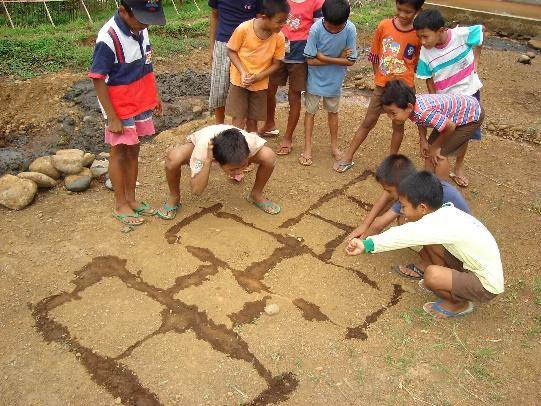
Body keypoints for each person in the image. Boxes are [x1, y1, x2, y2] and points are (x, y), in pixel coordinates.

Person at [346, 171, 504, 319]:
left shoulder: (436, 224)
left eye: (404, 206)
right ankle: (450, 280)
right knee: (432, 246)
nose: (401, 210)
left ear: (422, 208)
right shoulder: (444, 213)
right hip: (470, 263)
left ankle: (460, 304)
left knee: (432, 276)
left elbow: (402, 235)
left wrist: (367, 245)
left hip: (486, 284)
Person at [88, 0, 165, 226]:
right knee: (119, 152)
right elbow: (98, 79)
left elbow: (147, 64)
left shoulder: (142, 29)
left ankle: (131, 198)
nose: (145, 25)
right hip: (119, 105)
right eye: (141, 20)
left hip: (139, 98)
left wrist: (155, 95)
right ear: (123, 11)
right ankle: (120, 203)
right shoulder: (108, 38)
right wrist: (112, 117)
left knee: (134, 150)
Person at [334, 0, 424, 173]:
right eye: (400, 9)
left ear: (418, 11)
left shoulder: (418, 33)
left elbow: (418, 59)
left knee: (398, 124)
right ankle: (348, 156)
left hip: (405, 89)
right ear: (395, 5)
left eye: (408, 12)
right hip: (382, 86)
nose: (403, 15)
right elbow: (375, 54)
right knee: (368, 121)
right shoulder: (384, 26)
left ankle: (391, 162)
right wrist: (379, 78)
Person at [346, 154, 470, 278]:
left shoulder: (415, 195)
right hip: (458, 236)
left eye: (389, 190)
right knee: (405, 217)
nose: (388, 194)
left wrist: (363, 242)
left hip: (461, 252)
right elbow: (386, 198)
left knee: (416, 227)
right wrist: (365, 224)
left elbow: (379, 224)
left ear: (401, 186)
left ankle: (439, 271)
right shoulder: (419, 184)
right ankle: (436, 263)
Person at [414, 8, 484, 188]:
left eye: (425, 36)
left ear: (442, 30)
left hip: (469, 93)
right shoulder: (425, 53)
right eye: (419, 37)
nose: (422, 41)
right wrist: (435, 100)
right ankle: (431, 179)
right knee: (439, 141)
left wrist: (476, 60)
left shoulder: (460, 35)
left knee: (464, 135)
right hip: (446, 100)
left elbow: (481, 30)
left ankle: (457, 168)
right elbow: (429, 81)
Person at [156, 125, 281, 219]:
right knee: (173, 158)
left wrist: (241, 165)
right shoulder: (203, 151)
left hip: (232, 145)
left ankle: (256, 194)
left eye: (243, 166)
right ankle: (174, 197)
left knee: (269, 156)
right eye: (233, 169)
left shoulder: (251, 143)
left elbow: (267, 156)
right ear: (218, 161)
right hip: (202, 142)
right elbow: (196, 190)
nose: (239, 172)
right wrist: (208, 161)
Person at [380, 80, 484, 182]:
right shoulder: (413, 107)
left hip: (471, 116)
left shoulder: (423, 112)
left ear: (409, 107)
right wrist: (423, 140)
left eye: (393, 113)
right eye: (388, 113)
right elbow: (419, 121)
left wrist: (436, 147)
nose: (390, 117)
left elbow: (450, 127)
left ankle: (442, 191)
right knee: (430, 150)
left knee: (440, 154)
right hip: (452, 116)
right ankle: (427, 184)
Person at [259, 0, 324, 157]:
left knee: (294, 96)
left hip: (301, 56)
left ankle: (288, 137)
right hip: (277, 53)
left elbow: (318, 30)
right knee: (269, 89)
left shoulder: (317, 2)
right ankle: (269, 123)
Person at [299, 0, 357, 166]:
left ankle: (334, 146)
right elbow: (310, 62)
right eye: (330, 26)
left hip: (335, 81)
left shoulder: (350, 29)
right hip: (314, 79)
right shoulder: (316, 29)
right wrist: (339, 58)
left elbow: (351, 61)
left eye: (338, 27)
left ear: (346, 21)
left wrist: (322, 57)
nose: (333, 30)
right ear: (323, 17)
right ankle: (307, 148)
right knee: (310, 112)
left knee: (333, 112)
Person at [225, 0, 289, 133]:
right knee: (238, 119)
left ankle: (252, 150)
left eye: (285, 21)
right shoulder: (244, 29)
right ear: (264, 17)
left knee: (253, 121)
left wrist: (258, 77)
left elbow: (277, 64)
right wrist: (243, 72)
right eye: (279, 21)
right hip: (239, 81)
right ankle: (234, 149)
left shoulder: (279, 38)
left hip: (260, 84)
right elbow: (231, 50)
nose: (283, 25)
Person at [208, 0, 261, 125]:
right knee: (219, 88)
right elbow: (215, 15)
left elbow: (260, 21)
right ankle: (219, 126)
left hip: (247, 47)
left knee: (243, 87)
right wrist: (212, 48)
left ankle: (240, 130)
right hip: (223, 44)